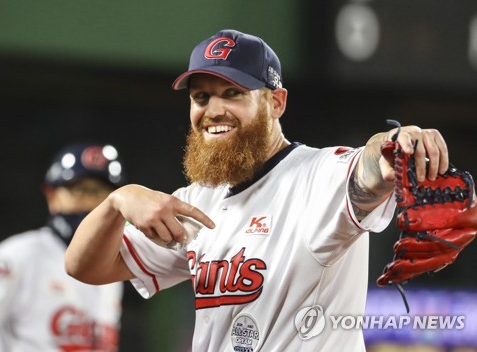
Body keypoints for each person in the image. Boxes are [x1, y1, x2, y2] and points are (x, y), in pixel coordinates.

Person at [64, 29, 450, 351]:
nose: (213, 109)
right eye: (201, 97)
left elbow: (367, 170)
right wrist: (116, 202)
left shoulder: (318, 175)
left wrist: (393, 143)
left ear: (276, 102)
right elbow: (84, 266)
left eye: (232, 93)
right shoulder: (199, 200)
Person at [0, 142, 126, 352]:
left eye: (102, 194)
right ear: (51, 195)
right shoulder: (19, 254)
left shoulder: (112, 269)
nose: (91, 203)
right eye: (80, 190)